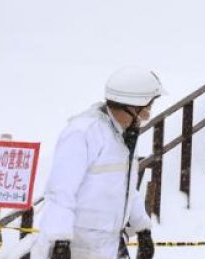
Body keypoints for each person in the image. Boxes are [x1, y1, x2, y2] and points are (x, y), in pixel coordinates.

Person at [34, 67, 162, 259]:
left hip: (109, 243)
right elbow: (60, 191)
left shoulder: (122, 137)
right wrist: (61, 241)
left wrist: (143, 229)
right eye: (147, 109)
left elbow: (125, 188)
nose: (147, 117)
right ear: (132, 107)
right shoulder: (84, 133)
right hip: (77, 246)